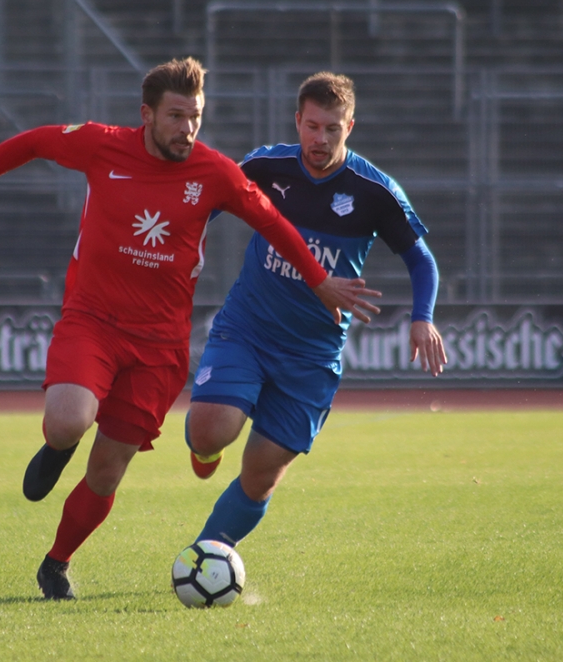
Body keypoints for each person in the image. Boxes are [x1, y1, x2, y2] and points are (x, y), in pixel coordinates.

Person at [0, 58, 382, 600]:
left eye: (196, 116)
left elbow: (273, 224)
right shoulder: (102, 145)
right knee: (67, 422)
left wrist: (320, 281)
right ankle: (57, 447)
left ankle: (56, 564)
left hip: (159, 346)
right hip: (93, 321)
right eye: (176, 116)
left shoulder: (216, 173)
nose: (188, 128)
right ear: (147, 115)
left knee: (107, 471)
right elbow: (34, 141)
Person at [186, 71, 447, 550]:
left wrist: (422, 319)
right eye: (312, 126)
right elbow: (205, 203)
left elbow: (421, 261)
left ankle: (204, 557)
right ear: (297, 122)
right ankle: (205, 452)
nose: (320, 139)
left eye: (332, 128)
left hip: (311, 355)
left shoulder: (375, 190)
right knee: (207, 433)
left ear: (350, 127)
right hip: (247, 329)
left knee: (260, 474)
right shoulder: (267, 166)